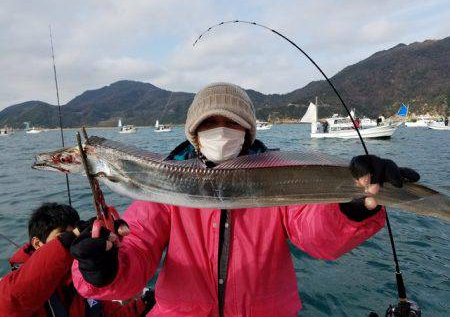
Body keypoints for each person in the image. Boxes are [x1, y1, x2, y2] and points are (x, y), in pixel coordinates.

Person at [70, 83, 419, 317]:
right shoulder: (165, 184)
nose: (220, 131)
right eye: (211, 123)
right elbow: (139, 245)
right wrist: (102, 268)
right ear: (194, 133)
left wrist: (351, 207)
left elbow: (316, 233)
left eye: (230, 123)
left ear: (247, 131)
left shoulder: (275, 178)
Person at [0, 202, 155, 317]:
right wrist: (66, 244)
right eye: (62, 235)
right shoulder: (17, 287)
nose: (74, 241)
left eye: (75, 234)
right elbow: (9, 302)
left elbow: (107, 313)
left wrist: (145, 303)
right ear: (37, 243)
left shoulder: (80, 276)